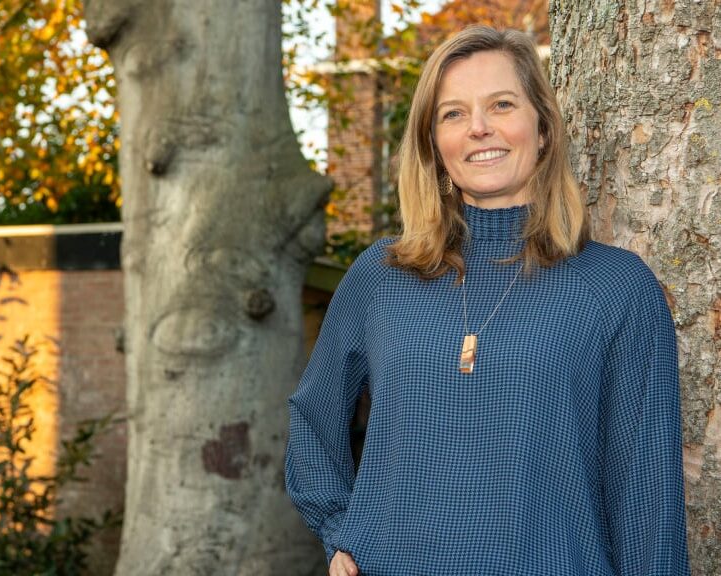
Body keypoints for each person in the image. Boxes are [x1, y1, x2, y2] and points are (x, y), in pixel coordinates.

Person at [285, 25, 691, 576]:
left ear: (543, 129)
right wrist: (339, 531)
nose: (478, 127)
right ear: (434, 144)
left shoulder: (615, 288)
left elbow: (647, 499)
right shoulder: (383, 276)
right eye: (453, 113)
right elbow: (313, 418)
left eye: (501, 104)